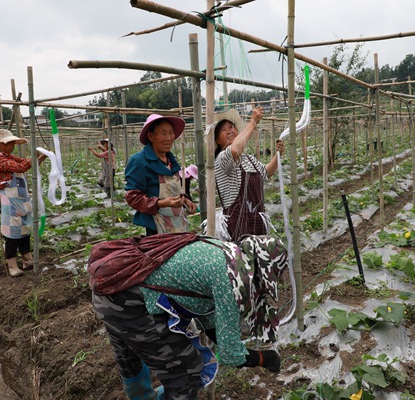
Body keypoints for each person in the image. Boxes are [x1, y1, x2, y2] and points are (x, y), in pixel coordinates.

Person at [89, 233, 286, 400]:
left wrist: (226, 339)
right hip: (131, 304)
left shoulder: (224, 251)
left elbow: (209, 322)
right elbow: (230, 355)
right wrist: (264, 358)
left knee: (129, 357)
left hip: (112, 292)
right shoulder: (233, 279)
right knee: (186, 369)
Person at [212, 106, 284, 242]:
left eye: (232, 127)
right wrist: (253, 122)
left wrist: (278, 155)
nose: (229, 131)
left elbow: (267, 172)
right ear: (217, 140)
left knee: (259, 260)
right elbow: (235, 150)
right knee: (242, 261)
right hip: (237, 224)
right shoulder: (222, 158)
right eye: (223, 130)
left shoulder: (248, 158)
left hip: (256, 221)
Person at [0, 129, 47, 277]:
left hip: (21, 198)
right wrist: (39, 157)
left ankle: (27, 259)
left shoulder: (9, 156)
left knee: (25, 229)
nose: (12, 146)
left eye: (13, 143)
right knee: (11, 232)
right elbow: (21, 167)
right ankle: (12, 265)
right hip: (9, 200)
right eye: (9, 143)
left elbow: (25, 163)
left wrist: (41, 157)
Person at [125, 114, 196, 236]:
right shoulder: (139, 161)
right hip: (156, 227)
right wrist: (160, 203)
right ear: (151, 136)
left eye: (171, 132)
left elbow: (172, 190)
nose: (169, 138)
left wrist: (185, 200)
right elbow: (132, 197)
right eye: (163, 133)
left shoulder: (170, 160)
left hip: (177, 223)